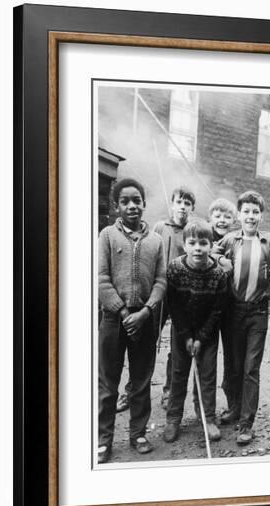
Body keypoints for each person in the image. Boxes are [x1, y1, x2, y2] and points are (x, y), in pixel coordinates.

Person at [97, 178, 166, 463]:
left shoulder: (156, 241)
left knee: (140, 381)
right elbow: (100, 279)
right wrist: (123, 312)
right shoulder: (107, 236)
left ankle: (138, 433)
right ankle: (103, 439)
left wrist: (146, 311)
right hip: (114, 321)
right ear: (116, 206)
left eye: (136, 200)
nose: (132, 206)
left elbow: (161, 281)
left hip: (145, 321)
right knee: (108, 383)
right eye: (125, 201)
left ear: (144, 204)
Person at [213, 191, 270, 445]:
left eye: (255, 212)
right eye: (246, 211)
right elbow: (211, 250)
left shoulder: (269, 240)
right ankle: (234, 408)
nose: (251, 216)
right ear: (239, 214)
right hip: (233, 310)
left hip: (258, 311)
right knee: (233, 365)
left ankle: (246, 423)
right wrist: (221, 259)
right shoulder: (230, 239)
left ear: (261, 216)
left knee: (250, 368)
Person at [115, 186, 196, 413]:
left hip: (182, 296)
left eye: (187, 204)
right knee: (146, 343)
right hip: (158, 293)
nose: (182, 207)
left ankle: (169, 392)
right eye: (179, 202)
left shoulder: (192, 230)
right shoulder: (160, 227)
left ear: (192, 209)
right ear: (172, 204)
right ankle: (132, 390)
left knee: (177, 346)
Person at [163, 220, 228, 443]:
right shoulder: (174, 268)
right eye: (192, 243)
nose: (198, 248)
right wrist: (186, 336)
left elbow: (217, 311)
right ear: (184, 245)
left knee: (207, 375)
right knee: (178, 373)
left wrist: (201, 337)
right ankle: (173, 418)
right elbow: (174, 306)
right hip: (182, 330)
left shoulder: (219, 275)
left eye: (203, 243)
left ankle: (207, 417)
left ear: (211, 245)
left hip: (207, 333)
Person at [207, 198, 237, 418]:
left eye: (227, 216)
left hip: (229, 307)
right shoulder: (202, 237)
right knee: (203, 356)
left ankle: (232, 403)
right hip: (206, 307)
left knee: (231, 356)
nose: (222, 220)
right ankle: (171, 392)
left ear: (233, 220)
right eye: (218, 216)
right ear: (211, 218)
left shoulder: (236, 240)